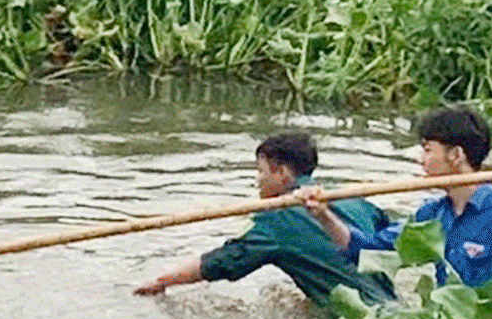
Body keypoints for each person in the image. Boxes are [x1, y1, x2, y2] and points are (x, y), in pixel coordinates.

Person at [298, 105, 492, 319]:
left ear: (456, 155)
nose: (421, 159)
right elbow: (366, 249)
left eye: (428, 149)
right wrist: (322, 214)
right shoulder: (433, 214)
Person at [133, 131, 395, 309]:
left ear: (281, 173)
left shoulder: (275, 220)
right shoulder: (354, 198)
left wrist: (160, 282)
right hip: (394, 308)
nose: (257, 180)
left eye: (260, 171)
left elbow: (222, 261)